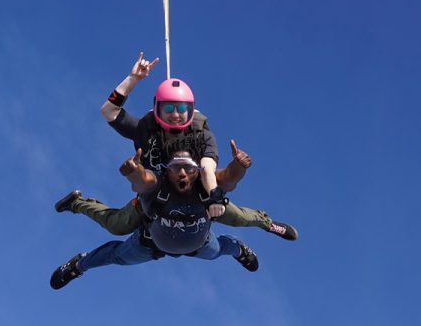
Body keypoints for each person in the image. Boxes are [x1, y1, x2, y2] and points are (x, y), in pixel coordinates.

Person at [54, 52, 298, 241]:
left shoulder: (200, 134)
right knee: (117, 225)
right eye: (168, 109)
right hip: (156, 190)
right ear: (157, 107)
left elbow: (207, 168)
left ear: (191, 111)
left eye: (182, 109)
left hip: (196, 187)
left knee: (237, 216)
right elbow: (108, 111)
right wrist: (133, 80)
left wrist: (215, 197)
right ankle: (77, 203)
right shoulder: (146, 129)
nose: (176, 115)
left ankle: (266, 223)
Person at [50, 151, 259, 290]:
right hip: (151, 242)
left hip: (198, 243)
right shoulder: (159, 186)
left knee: (223, 246)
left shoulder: (207, 190)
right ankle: (79, 262)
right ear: (167, 172)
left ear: (198, 173)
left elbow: (229, 183)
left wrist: (239, 166)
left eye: (189, 169)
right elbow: (145, 181)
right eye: (176, 168)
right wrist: (134, 172)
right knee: (115, 242)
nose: (183, 174)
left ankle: (241, 249)